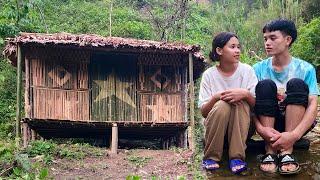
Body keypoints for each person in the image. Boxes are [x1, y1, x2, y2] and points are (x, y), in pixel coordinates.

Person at [253, 19, 319, 175]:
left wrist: (294, 135)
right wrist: (261, 130)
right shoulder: (258, 69)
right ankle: (270, 150)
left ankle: (286, 151)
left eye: (273, 38)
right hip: (268, 124)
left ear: (288, 40)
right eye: (265, 39)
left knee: (296, 83)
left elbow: (313, 104)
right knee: (265, 85)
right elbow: (250, 104)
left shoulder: (305, 68)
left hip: (296, 124)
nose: (267, 43)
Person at [198, 32, 257, 174]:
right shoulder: (209, 75)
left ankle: (237, 157)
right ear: (219, 51)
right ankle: (212, 156)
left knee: (241, 102)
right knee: (222, 104)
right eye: (232, 47)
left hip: (243, 128)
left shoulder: (247, 71)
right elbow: (204, 112)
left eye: (238, 47)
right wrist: (216, 97)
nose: (237, 50)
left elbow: (255, 104)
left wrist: (245, 94)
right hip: (216, 130)